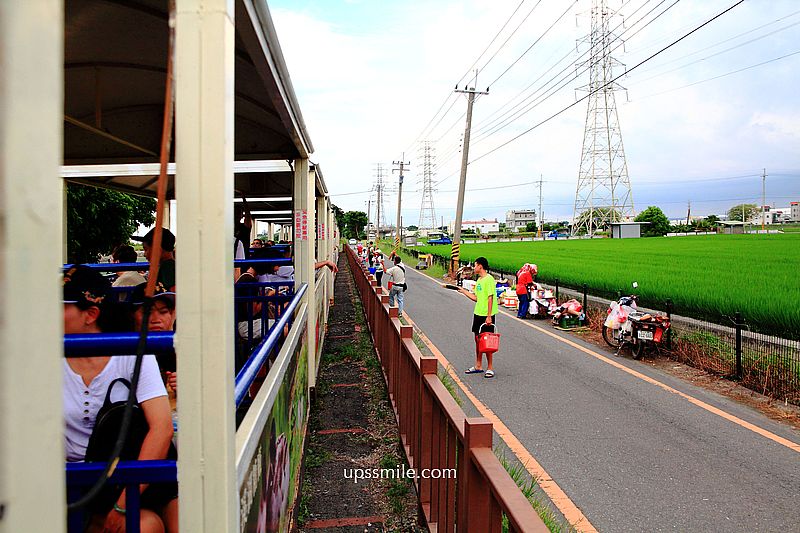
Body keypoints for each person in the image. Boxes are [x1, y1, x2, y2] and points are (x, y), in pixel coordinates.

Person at [62, 266, 178, 532]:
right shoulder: (41, 357)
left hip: (130, 469)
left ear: (91, 314)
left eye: (60, 305)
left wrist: (124, 502)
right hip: (77, 483)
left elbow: (161, 428)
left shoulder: (133, 351)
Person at [458, 256, 498, 378]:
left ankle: (490, 367)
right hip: (478, 313)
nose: (474, 268)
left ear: (480, 266)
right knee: (477, 340)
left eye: (475, 265)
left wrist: (489, 316)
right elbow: (476, 298)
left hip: (487, 315)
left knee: (488, 341)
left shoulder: (489, 279)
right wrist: (463, 291)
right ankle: (478, 365)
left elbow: (490, 298)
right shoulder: (479, 280)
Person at [132, 227, 176, 293]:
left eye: (146, 249)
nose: (144, 254)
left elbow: (173, 294)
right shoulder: (170, 266)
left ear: (158, 249)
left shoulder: (168, 267)